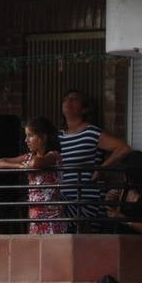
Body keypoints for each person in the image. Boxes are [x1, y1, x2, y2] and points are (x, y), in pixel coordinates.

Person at [57, 89, 132, 228]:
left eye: (74, 99)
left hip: (86, 201)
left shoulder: (91, 132)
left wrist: (102, 168)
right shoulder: (58, 136)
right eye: (66, 98)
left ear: (84, 109)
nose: (68, 101)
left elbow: (123, 148)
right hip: (63, 200)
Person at [0, 116, 68, 234]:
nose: (26, 140)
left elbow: (36, 163)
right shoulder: (28, 157)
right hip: (35, 216)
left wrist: (28, 164)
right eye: (26, 136)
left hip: (52, 216)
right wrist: (19, 166)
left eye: (31, 136)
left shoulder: (54, 155)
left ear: (43, 137)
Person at [105, 150, 142, 236]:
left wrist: (126, 220)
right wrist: (111, 200)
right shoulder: (125, 190)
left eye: (128, 174)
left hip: (141, 241)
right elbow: (116, 214)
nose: (125, 178)